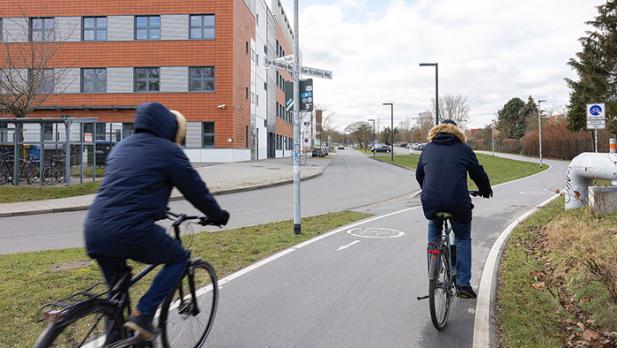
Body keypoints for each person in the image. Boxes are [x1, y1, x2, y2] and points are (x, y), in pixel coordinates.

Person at [84, 102, 230, 340]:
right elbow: (197, 192)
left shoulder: (122, 146)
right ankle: (143, 315)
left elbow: (128, 186)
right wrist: (218, 215)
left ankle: (115, 341)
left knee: (116, 293)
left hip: (94, 228)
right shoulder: (169, 151)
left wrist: (155, 207)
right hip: (130, 230)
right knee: (180, 258)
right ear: (170, 128)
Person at [415, 119, 492, 299]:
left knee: (434, 227)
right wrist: (485, 190)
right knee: (463, 238)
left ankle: (432, 275)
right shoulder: (463, 149)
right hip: (457, 202)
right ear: (457, 132)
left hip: (431, 201)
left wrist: (427, 189)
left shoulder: (427, 149)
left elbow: (419, 174)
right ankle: (463, 285)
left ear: (436, 131)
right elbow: (478, 173)